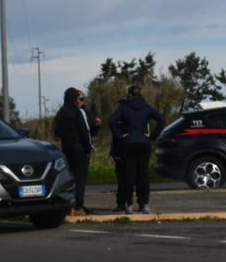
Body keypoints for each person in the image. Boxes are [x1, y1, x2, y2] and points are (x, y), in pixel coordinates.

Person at [110, 85, 166, 214]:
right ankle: (144, 203)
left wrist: (120, 135)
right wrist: (152, 136)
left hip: (129, 143)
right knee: (143, 175)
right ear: (141, 94)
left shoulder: (124, 107)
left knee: (129, 175)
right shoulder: (146, 107)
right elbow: (161, 120)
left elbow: (112, 121)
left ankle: (129, 204)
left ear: (129, 94)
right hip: (144, 142)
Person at [54, 87, 101, 216]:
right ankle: (78, 205)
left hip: (66, 148)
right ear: (75, 98)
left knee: (70, 177)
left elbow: (56, 131)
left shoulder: (61, 113)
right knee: (80, 178)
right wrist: (87, 148)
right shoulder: (77, 112)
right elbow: (84, 133)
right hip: (79, 149)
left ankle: (69, 205)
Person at [108, 96, 130, 212]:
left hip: (120, 150)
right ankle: (127, 201)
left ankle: (121, 202)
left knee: (121, 178)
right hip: (129, 149)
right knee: (127, 177)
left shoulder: (118, 116)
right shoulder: (132, 116)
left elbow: (111, 122)